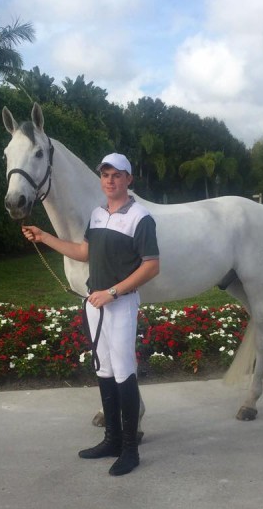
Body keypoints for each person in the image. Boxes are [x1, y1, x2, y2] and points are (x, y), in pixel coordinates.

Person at [22, 153, 160, 476]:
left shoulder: (141, 218)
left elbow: (152, 266)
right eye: (105, 174)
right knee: (105, 368)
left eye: (116, 175)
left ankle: (130, 449)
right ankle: (111, 439)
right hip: (96, 304)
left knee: (125, 371)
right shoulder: (97, 215)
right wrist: (44, 237)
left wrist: (113, 291)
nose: (110, 180)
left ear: (129, 179)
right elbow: (84, 251)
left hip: (120, 303)